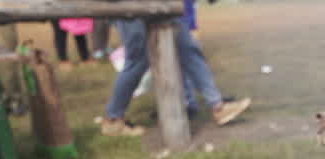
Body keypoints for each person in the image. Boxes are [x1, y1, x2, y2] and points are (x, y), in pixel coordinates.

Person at [101, 1, 250, 137]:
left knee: (188, 47)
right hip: (126, 5)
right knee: (138, 61)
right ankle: (113, 118)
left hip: (159, 4)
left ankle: (219, 106)